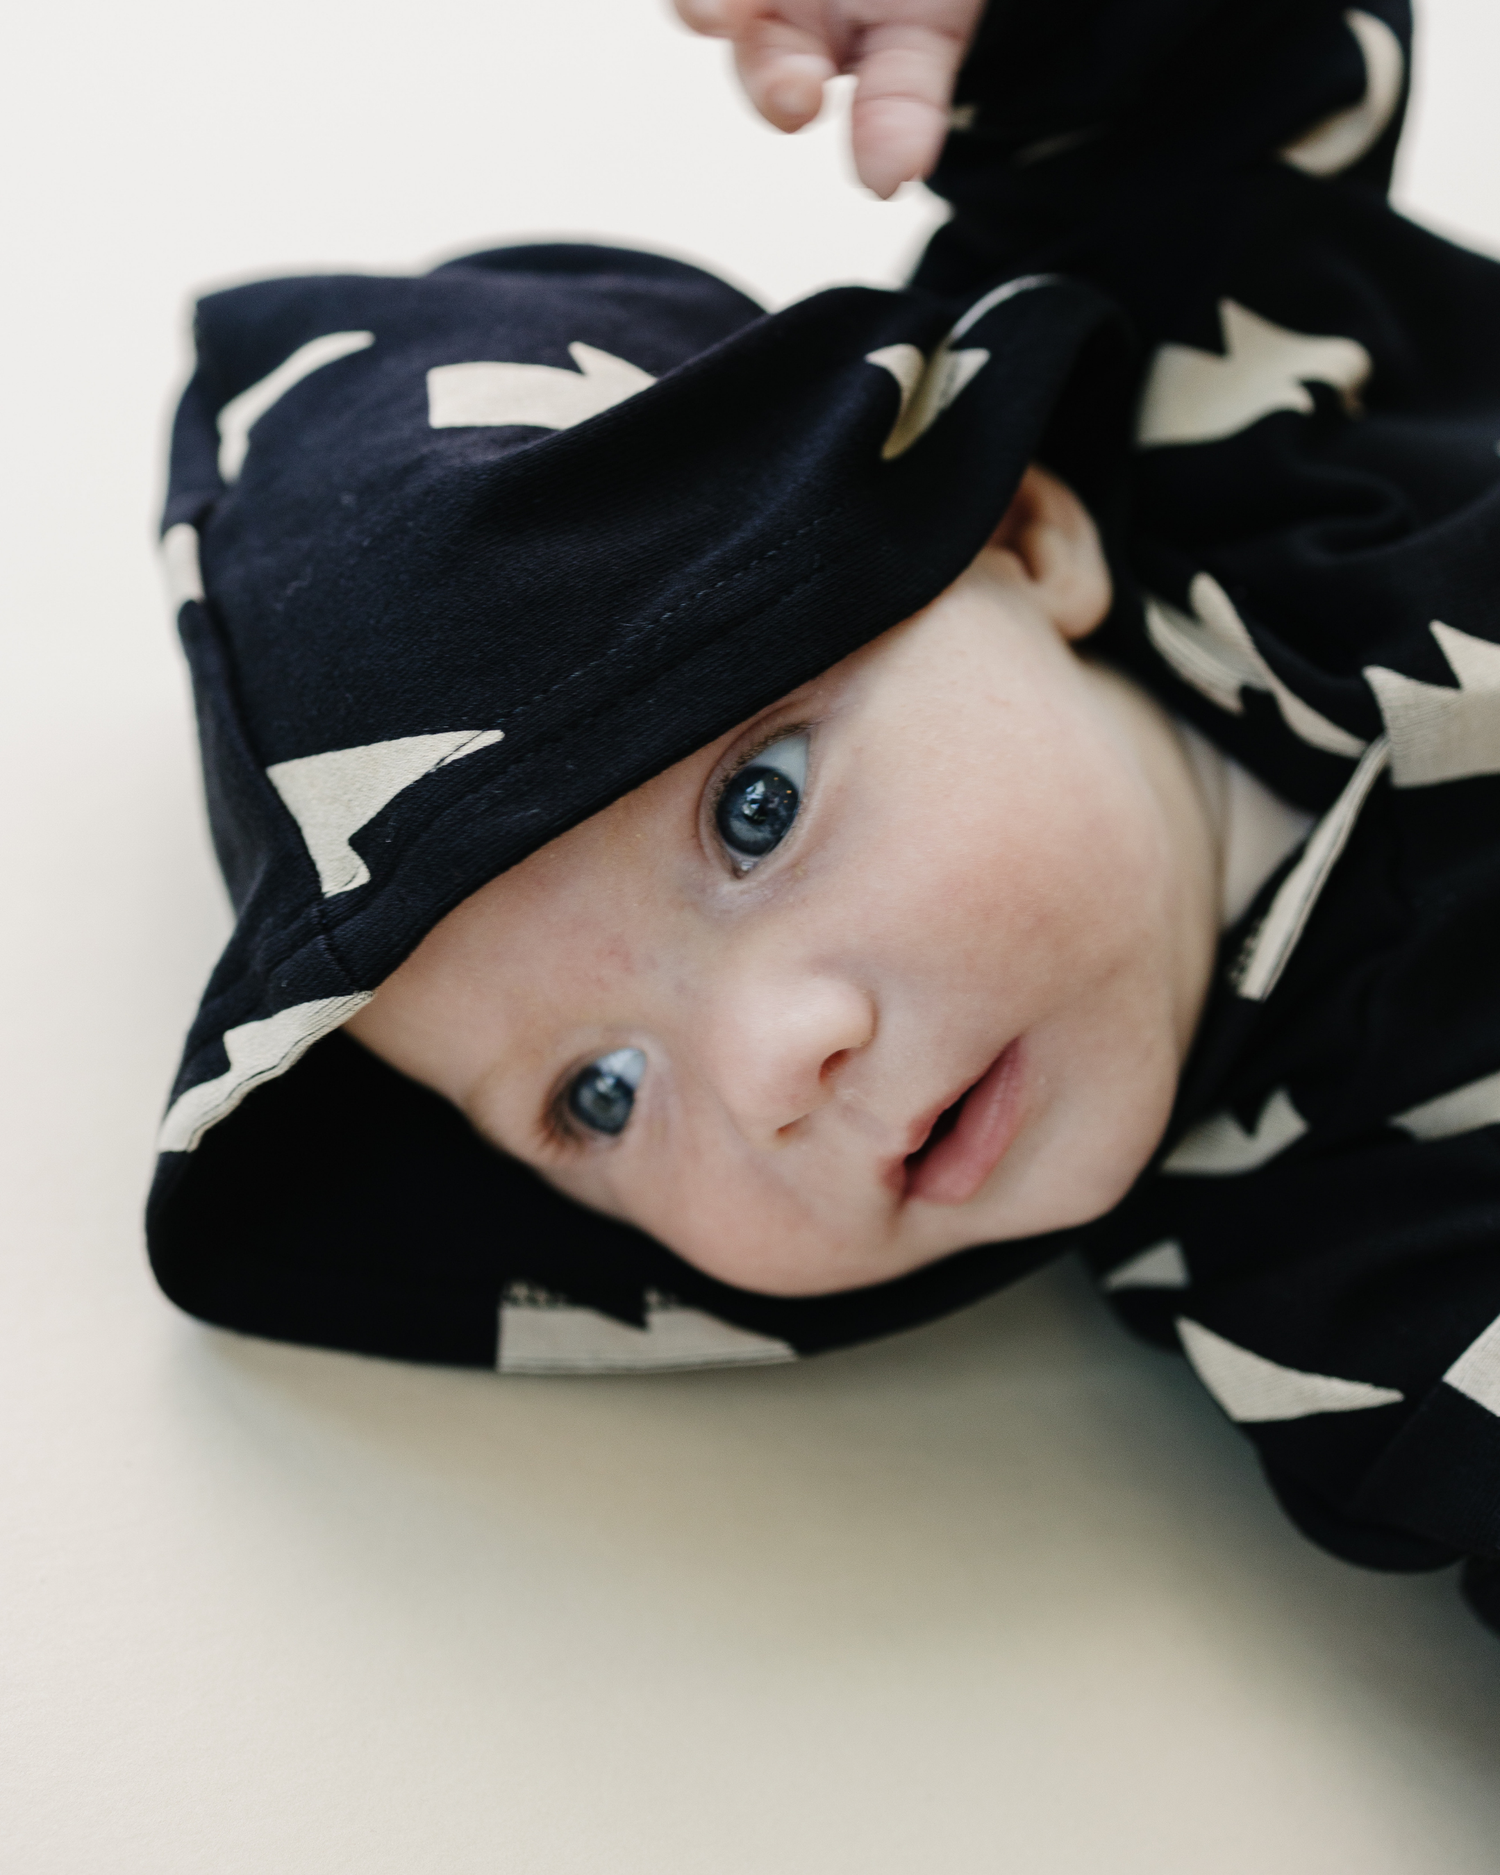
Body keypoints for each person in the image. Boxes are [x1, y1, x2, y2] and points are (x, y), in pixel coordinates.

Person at [151, 0, 1500, 1632]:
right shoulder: (1369, 1309)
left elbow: (1215, 68)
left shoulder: (1220, 374)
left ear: (1016, 530)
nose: (767, 1068)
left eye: (756, 807)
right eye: (597, 1092)